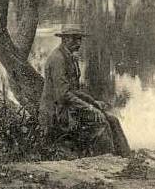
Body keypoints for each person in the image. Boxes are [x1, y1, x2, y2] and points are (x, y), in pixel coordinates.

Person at [40, 24, 131, 157]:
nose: (78, 43)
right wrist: (89, 107)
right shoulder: (58, 59)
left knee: (113, 119)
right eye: (75, 39)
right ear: (65, 40)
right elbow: (63, 95)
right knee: (101, 121)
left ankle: (126, 156)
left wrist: (94, 103)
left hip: (68, 108)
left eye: (80, 39)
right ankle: (108, 158)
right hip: (57, 114)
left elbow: (74, 91)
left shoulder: (69, 57)